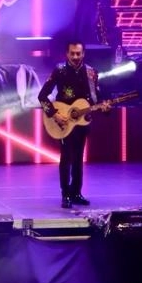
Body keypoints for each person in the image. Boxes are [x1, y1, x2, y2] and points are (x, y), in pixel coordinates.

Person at [38, 40, 110, 208]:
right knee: (66, 158)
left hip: (83, 121)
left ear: (83, 54)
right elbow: (42, 96)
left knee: (78, 158)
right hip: (64, 121)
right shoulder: (60, 70)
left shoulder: (92, 73)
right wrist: (54, 114)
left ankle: (76, 192)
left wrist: (104, 107)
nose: (76, 57)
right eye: (73, 53)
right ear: (67, 54)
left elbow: (95, 99)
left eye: (79, 53)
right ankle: (66, 194)